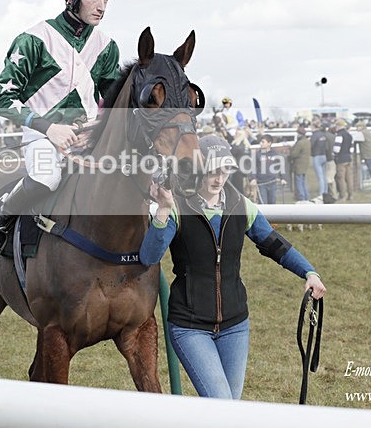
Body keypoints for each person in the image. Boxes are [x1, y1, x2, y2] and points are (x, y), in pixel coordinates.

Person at [139, 135, 325, 400]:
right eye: (212, 171)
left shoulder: (242, 206)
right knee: (222, 404)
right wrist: (163, 211)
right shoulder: (177, 207)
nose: (219, 178)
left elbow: (275, 244)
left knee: (229, 407)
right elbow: (149, 256)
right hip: (190, 327)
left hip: (235, 325)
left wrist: (309, 272)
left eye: (225, 170)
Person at [0, 0, 124, 255]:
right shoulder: (33, 40)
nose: (102, 7)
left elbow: (111, 103)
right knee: (47, 178)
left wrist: (97, 127)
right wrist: (49, 128)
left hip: (86, 137)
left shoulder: (107, 46)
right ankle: (1, 215)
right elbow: (0, 98)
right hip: (43, 134)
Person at [249, 134, 279, 204]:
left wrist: (282, 178)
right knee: (263, 203)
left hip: (272, 182)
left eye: (263, 142)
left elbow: (279, 167)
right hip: (261, 183)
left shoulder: (275, 154)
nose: (260, 143)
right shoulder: (257, 154)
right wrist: (253, 178)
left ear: (269, 143)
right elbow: (253, 167)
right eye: (260, 142)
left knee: (272, 202)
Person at [332, 119, 354, 201]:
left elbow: (336, 149)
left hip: (341, 159)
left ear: (338, 126)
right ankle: (351, 195)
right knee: (349, 178)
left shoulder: (339, 135)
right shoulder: (349, 135)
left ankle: (342, 196)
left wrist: (334, 154)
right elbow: (352, 149)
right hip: (348, 158)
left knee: (341, 178)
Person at [355, 121, 371, 193]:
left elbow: (354, 139)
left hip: (369, 155)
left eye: (358, 127)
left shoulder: (362, 133)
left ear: (362, 127)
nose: (357, 128)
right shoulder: (368, 132)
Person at [289, 125, 311, 200]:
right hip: (305, 164)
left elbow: (294, 154)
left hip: (299, 164)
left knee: (299, 182)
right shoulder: (307, 141)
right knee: (303, 182)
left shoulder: (300, 143)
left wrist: (291, 150)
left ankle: (302, 197)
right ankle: (306, 196)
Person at [310, 121, 329, 197]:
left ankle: (321, 194)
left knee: (320, 177)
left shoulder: (314, 135)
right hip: (324, 155)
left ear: (313, 127)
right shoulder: (323, 134)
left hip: (317, 156)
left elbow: (311, 145)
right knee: (324, 176)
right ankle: (325, 192)